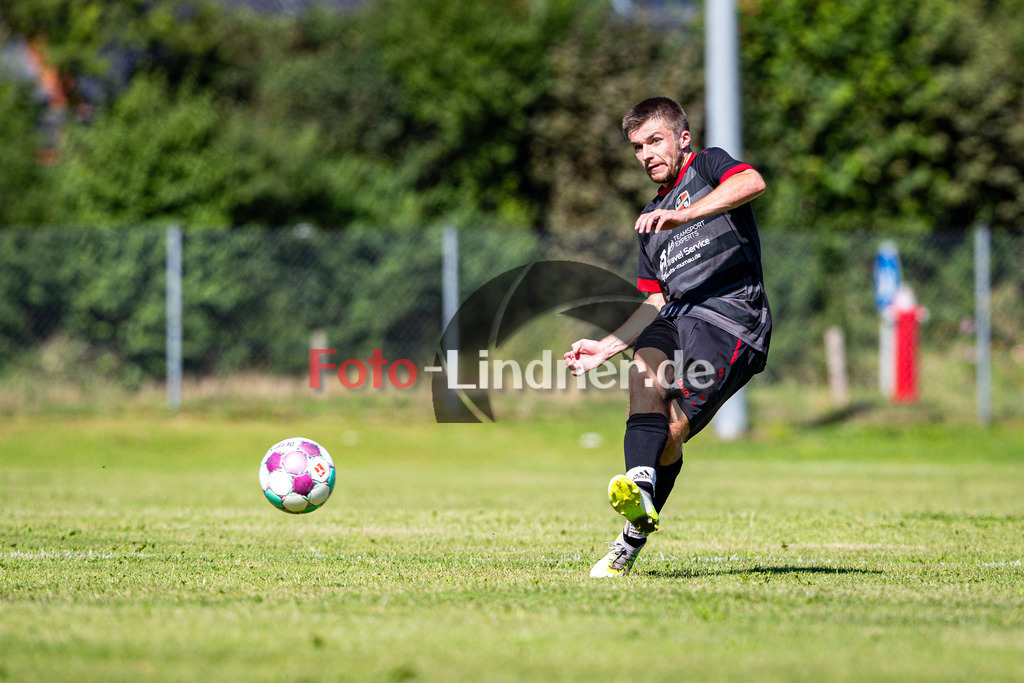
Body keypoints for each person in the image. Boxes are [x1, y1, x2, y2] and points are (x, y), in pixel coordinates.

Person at [564, 96, 772, 577]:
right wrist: (605, 347)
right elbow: (655, 301)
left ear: (682, 138)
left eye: (654, 141)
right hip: (675, 315)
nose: (645, 154)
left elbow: (752, 182)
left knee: (672, 431)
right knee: (644, 371)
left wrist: (687, 214)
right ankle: (639, 486)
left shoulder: (708, 167)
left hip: (729, 321)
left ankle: (630, 540)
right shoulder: (648, 219)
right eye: (637, 147)